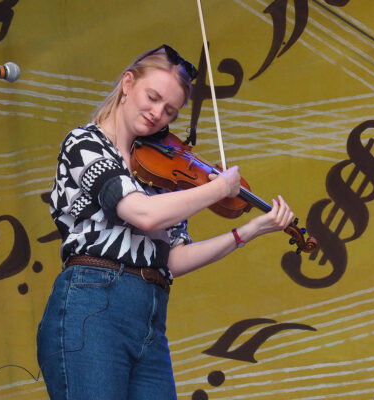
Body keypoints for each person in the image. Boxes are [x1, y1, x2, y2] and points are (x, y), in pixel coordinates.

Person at [36, 44, 295, 400]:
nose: (157, 114)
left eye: (170, 111)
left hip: (150, 313)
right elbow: (142, 213)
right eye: (153, 97)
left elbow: (174, 259)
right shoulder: (86, 143)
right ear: (128, 84)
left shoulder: (159, 176)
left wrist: (249, 230)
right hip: (92, 305)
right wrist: (218, 187)